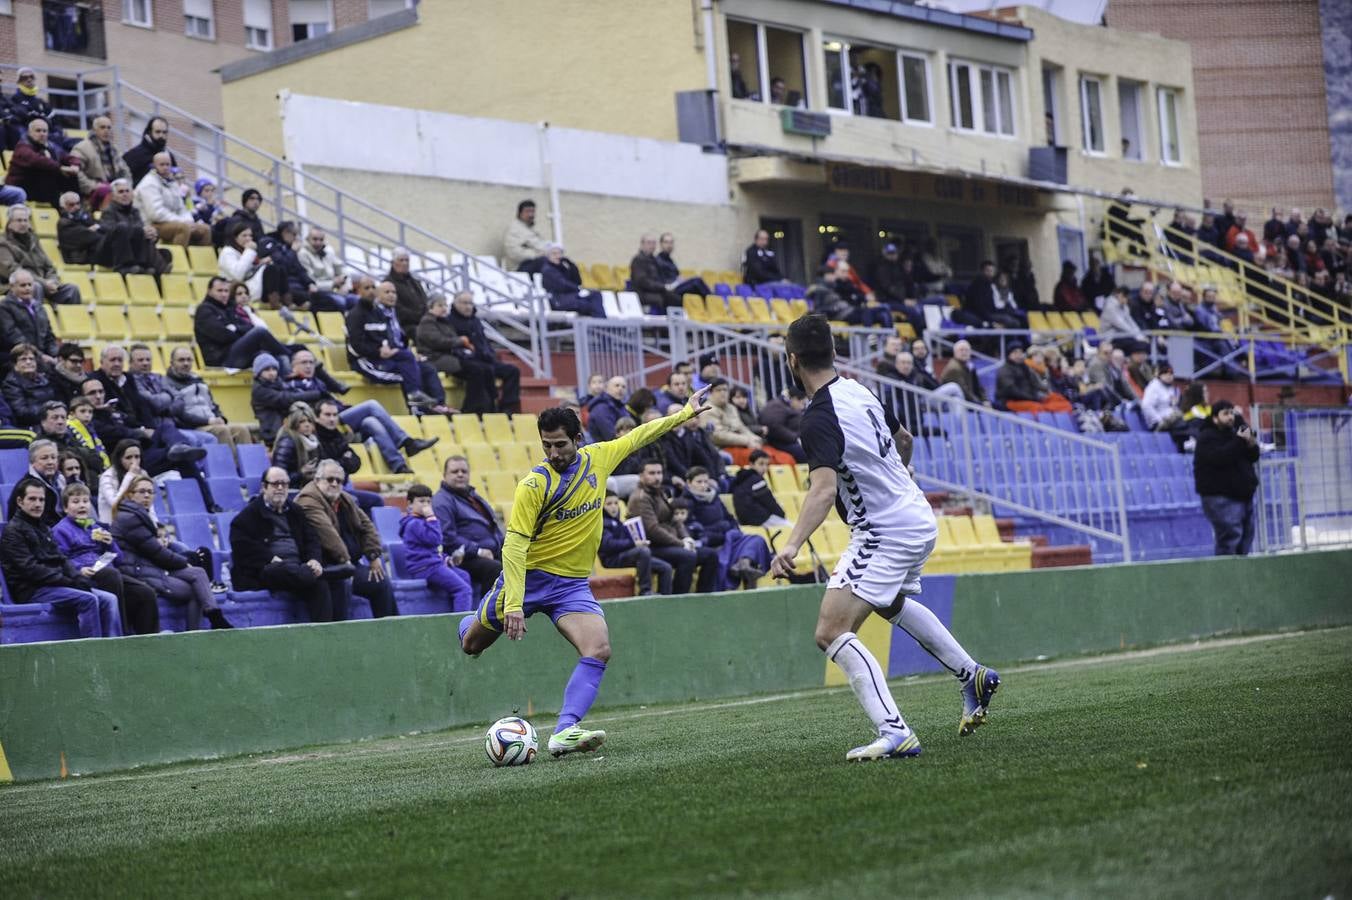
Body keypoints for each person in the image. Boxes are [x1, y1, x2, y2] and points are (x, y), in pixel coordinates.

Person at [769, 314, 1000, 761]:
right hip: (916, 516)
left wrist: (791, 544)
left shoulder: (818, 417)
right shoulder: (859, 389)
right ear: (834, 354)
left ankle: (895, 731)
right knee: (888, 601)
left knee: (831, 630)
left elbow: (823, 490)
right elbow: (905, 439)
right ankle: (971, 674)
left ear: (792, 361)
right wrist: (900, 475)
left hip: (883, 530)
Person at [457, 386, 713, 758]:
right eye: (546, 445)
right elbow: (513, 546)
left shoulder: (599, 458)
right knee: (472, 644)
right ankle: (470, 621)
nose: (553, 453)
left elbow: (641, 435)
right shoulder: (534, 485)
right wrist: (512, 603)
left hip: (571, 586)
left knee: (599, 648)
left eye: (560, 444)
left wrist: (685, 413)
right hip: (527, 581)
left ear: (578, 439)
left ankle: (564, 731)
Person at [0, 478, 122, 638]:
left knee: (109, 599)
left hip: (55, 585)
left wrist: (77, 578)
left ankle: (114, 647)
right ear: (20, 501)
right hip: (33, 589)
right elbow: (29, 569)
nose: (38, 504)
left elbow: (62, 559)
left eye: (41, 499)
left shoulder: (43, 528)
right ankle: (95, 653)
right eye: (32, 499)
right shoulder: (13, 531)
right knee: (89, 600)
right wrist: (68, 581)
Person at [112, 474, 231, 630]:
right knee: (194, 589)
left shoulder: (139, 515)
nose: (147, 495)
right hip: (138, 572)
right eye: (142, 491)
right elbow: (156, 552)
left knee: (198, 572)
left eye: (150, 491)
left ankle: (215, 617)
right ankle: (196, 632)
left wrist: (183, 562)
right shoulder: (130, 518)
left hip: (151, 567)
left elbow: (156, 551)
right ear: (130, 494)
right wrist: (183, 562)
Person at [230, 466, 340, 621]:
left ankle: (325, 635)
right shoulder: (247, 516)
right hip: (265, 571)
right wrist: (270, 559)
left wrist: (314, 560)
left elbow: (312, 539)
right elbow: (242, 547)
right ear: (264, 487)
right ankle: (312, 573)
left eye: (285, 484)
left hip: (297, 568)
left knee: (324, 584)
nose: (280, 488)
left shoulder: (295, 510)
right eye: (275, 484)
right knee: (281, 570)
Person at [52, 482, 160, 635]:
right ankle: (120, 633)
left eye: (85, 501)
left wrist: (110, 544)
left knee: (145, 592)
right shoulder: (60, 530)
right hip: (84, 575)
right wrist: (78, 568)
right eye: (76, 502)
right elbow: (61, 559)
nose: (82, 505)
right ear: (65, 508)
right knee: (112, 575)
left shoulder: (95, 527)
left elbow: (118, 560)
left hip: (106, 571)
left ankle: (149, 639)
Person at [295, 459, 399, 619]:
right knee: (342, 584)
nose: (335, 483)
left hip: (345, 564)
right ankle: (341, 635)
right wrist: (346, 563)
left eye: (339, 480)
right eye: (330, 479)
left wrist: (373, 556)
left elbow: (367, 526)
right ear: (317, 480)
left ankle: (392, 632)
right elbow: (328, 535)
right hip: (323, 566)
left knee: (380, 581)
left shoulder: (344, 498)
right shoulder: (307, 500)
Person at [345, 278, 449, 414]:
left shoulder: (380, 313)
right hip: (366, 362)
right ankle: (418, 408)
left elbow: (389, 341)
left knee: (426, 368)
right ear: (358, 291)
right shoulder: (355, 314)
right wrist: (378, 352)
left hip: (385, 359)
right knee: (411, 373)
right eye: (366, 288)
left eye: (372, 288)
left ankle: (438, 405)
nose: (371, 291)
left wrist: (407, 353)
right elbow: (354, 346)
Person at [626, 459, 719, 594]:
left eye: (659, 473)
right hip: (652, 546)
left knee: (710, 555)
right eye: (652, 473)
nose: (657, 477)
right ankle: (679, 599)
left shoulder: (660, 492)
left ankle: (704, 597)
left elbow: (675, 520)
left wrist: (687, 538)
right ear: (641, 476)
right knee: (687, 556)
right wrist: (680, 544)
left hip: (669, 544)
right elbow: (652, 530)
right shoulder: (641, 498)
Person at [681, 466, 770, 590]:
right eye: (699, 482)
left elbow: (730, 518)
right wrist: (722, 530)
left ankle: (744, 563)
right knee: (733, 548)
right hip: (712, 543)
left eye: (706, 481)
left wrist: (732, 530)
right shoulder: (686, 503)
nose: (703, 485)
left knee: (756, 539)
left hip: (728, 537)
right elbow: (693, 529)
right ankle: (745, 572)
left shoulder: (715, 498)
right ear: (689, 483)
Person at [1194, 400, 1259, 557]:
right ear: (1215, 418)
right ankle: (1227, 577)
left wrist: (1250, 442)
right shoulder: (1206, 437)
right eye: (1225, 414)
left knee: (1246, 538)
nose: (1230, 417)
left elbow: (1253, 456)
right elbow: (1221, 457)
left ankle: (1241, 576)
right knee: (1230, 539)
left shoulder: (1235, 433)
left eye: (1232, 413)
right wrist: (1239, 440)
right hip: (1221, 498)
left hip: (1242, 496)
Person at [433, 455, 504, 596]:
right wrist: (478, 551)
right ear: (444, 475)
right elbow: (447, 537)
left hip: (492, 551)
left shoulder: (473, 496)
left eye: (464, 471)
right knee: (495, 569)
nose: (460, 474)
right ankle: (487, 614)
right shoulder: (442, 501)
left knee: (524, 563)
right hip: (463, 558)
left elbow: (494, 527)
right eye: (455, 471)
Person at [397, 483, 475, 612]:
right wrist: (431, 518)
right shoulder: (414, 523)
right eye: (421, 501)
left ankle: (454, 613)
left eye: (428, 501)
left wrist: (446, 559)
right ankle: (462, 625)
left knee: (464, 576)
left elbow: (432, 549)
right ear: (410, 504)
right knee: (463, 589)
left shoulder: (422, 521)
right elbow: (435, 540)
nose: (426, 505)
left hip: (433, 564)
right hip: (424, 567)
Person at [163, 345, 253, 450]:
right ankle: (229, 466)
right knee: (222, 431)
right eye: (181, 360)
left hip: (211, 423)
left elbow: (213, 405)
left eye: (189, 360)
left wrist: (221, 418)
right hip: (192, 426)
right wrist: (208, 421)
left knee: (241, 430)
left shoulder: (199, 380)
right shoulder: (168, 384)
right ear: (172, 363)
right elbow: (180, 415)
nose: (186, 363)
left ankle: (250, 466)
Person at [194, 275, 293, 371]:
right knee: (259, 332)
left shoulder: (229, 308)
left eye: (226, 291)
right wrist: (243, 336)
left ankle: (287, 382)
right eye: (219, 291)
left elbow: (249, 327)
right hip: (221, 359)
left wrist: (236, 329)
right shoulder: (204, 310)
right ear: (209, 291)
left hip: (236, 352)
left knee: (273, 357)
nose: (224, 294)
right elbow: (223, 336)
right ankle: (293, 356)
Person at [448, 290, 521, 414]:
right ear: (455, 304)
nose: (468, 307)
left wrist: (490, 355)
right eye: (464, 303)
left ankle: (507, 407)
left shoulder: (476, 321)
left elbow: (484, 343)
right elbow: (453, 345)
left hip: (485, 359)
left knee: (513, 371)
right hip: (465, 361)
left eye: (470, 303)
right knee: (481, 370)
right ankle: (477, 409)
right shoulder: (449, 321)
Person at [0, 207, 82, 305]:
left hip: (43, 284)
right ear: (9, 223)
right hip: (16, 287)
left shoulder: (34, 240)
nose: (23, 223)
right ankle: (36, 319)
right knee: (35, 287)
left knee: (72, 290)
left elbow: (49, 266)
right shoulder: (3, 244)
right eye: (19, 220)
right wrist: (44, 283)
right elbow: (14, 271)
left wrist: (53, 282)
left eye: (25, 220)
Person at [597, 490, 673, 596]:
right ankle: (645, 590)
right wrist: (633, 543)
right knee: (642, 551)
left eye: (616, 503)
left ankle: (666, 600)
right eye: (609, 504)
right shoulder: (601, 523)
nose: (613, 507)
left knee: (666, 568)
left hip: (624, 554)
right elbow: (608, 544)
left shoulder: (618, 522)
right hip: (612, 559)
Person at [135, 152, 211, 246]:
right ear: (154, 166)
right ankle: (179, 260)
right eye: (162, 164)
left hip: (173, 221)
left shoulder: (172, 183)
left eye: (168, 164)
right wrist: (182, 221)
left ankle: (198, 260)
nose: (165, 167)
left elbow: (182, 208)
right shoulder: (148, 183)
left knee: (205, 229)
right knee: (182, 228)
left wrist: (189, 221)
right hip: (152, 224)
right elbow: (156, 214)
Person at [97, 178, 166, 274]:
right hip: (112, 254)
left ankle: (146, 265)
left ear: (132, 194)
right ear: (113, 196)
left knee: (164, 250)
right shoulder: (108, 211)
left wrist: (153, 234)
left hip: (133, 252)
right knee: (123, 227)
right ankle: (159, 267)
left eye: (127, 191)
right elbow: (109, 231)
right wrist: (138, 231)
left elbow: (141, 231)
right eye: (120, 192)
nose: (125, 194)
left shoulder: (135, 211)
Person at [3, 119, 77, 206]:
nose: (42, 134)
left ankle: (75, 208)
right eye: (38, 131)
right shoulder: (22, 147)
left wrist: (75, 165)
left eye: (45, 131)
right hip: (23, 188)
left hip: (41, 189)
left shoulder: (50, 146)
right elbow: (37, 161)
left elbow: (68, 157)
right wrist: (60, 168)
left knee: (73, 177)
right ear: (29, 132)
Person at [995, 343, 1072, 414]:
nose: (1018, 355)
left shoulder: (1025, 367)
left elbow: (1036, 383)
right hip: (1011, 401)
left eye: (1020, 352)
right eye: (1015, 352)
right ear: (1009, 354)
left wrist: (1047, 392)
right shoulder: (1005, 370)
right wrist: (1032, 398)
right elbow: (1011, 390)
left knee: (1057, 398)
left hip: (1030, 397)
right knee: (1037, 407)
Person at [2, 343, 62, 428]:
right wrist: (49, 411)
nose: (28, 362)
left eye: (31, 359)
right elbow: (21, 413)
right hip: (30, 427)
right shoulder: (11, 384)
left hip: (51, 421)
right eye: (23, 359)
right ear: (15, 364)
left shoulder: (45, 379)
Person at [296, 226, 354, 310]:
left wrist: (346, 286)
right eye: (315, 239)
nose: (318, 243)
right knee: (341, 302)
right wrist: (333, 283)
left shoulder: (328, 251)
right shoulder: (303, 254)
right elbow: (311, 282)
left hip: (336, 291)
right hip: (319, 294)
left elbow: (343, 270)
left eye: (321, 239)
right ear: (308, 239)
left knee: (358, 301)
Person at [540, 243, 605, 317]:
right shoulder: (548, 270)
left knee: (594, 295)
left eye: (560, 253)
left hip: (568, 297)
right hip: (558, 300)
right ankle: (601, 325)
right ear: (548, 256)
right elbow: (562, 284)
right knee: (588, 304)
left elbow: (578, 281)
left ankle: (600, 324)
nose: (558, 256)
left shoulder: (562, 268)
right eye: (554, 254)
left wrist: (571, 264)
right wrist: (578, 289)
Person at [731, 449, 791, 528]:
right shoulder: (756, 480)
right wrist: (781, 514)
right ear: (751, 464)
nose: (764, 468)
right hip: (758, 519)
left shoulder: (741, 478)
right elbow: (769, 502)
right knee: (792, 528)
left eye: (766, 464)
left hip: (744, 520)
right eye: (761, 464)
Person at [386, 247, 432, 335]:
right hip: (405, 325)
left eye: (407, 260)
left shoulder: (415, 282)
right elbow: (397, 309)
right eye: (401, 260)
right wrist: (419, 316)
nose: (405, 263)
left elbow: (425, 300)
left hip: (423, 322)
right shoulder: (388, 284)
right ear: (393, 263)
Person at [629, 234, 681, 311]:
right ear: (642, 245)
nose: (652, 245)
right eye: (649, 243)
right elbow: (642, 282)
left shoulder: (654, 260)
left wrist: (669, 285)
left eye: (654, 243)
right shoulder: (638, 260)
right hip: (642, 293)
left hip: (654, 291)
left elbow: (660, 278)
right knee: (670, 298)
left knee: (677, 296)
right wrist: (663, 287)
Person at [758, 386, 807, 463]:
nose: (803, 406)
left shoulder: (786, 406)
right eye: (802, 403)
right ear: (794, 399)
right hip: (780, 442)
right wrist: (795, 437)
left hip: (790, 440)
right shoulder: (776, 406)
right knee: (804, 453)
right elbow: (774, 427)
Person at [121, 117, 175, 187]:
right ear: (149, 132)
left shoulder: (168, 156)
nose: (161, 135)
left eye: (164, 132)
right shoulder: (134, 155)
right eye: (157, 132)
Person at [938, 339, 990, 406]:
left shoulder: (969, 366)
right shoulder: (954, 368)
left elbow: (978, 387)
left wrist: (985, 400)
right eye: (961, 350)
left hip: (969, 401)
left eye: (966, 350)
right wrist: (980, 404)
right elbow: (964, 391)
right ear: (955, 353)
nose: (964, 352)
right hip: (952, 404)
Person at [502, 199, 548, 272]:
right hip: (519, 267)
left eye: (532, 211)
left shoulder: (532, 230)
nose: (531, 214)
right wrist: (536, 255)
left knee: (563, 263)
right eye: (527, 211)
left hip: (536, 263)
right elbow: (514, 252)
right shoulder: (514, 229)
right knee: (545, 262)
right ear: (520, 213)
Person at [585, 375, 630, 443]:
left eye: (623, 387)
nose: (620, 388)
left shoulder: (622, 407)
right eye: (617, 385)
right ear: (607, 388)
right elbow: (610, 436)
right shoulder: (600, 408)